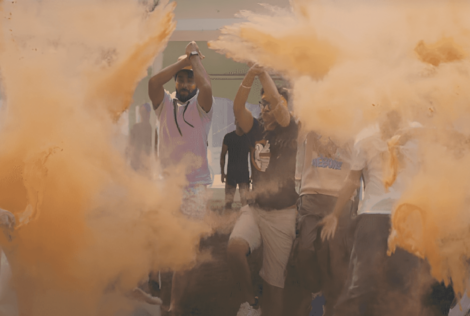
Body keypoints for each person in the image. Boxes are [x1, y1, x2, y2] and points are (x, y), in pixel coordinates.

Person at [321, 110, 423, 316]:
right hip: (373, 215)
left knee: (405, 286)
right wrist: (335, 214)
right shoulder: (366, 137)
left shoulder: (419, 135)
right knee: (362, 285)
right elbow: (352, 180)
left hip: (407, 218)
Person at [227, 64, 298, 316]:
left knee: (274, 288)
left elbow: (280, 108)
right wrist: (250, 74)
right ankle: (250, 302)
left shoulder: (291, 127)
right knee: (235, 249)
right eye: (262, 103)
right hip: (256, 210)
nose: (264, 108)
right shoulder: (255, 128)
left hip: (282, 215)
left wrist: (264, 73)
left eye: (269, 103)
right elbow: (237, 108)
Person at [148, 41, 213, 315]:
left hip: (196, 187)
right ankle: (160, 301)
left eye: (190, 78)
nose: (186, 83)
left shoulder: (202, 107)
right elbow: (153, 82)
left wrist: (194, 57)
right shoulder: (163, 103)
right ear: (175, 82)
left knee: (187, 252)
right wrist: (185, 60)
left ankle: (174, 308)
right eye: (181, 79)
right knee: (164, 247)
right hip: (167, 186)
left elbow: (207, 87)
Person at [288, 132, 355, 316]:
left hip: (341, 197)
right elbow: (295, 133)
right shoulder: (312, 110)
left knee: (334, 254)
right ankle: (315, 292)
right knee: (305, 250)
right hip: (311, 193)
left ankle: (331, 302)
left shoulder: (353, 117)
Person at [220, 119, 251, 210]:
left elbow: (253, 155)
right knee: (228, 203)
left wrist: (254, 173)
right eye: (238, 120)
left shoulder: (248, 138)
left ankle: (244, 222)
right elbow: (222, 155)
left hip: (243, 175)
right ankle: (227, 222)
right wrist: (222, 173)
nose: (240, 122)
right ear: (235, 122)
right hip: (232, 175)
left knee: (245, 204)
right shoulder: (228, 137)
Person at [128, 103, 153, 174]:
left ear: (148, 114)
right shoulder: (136, 127)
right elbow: (130, 143)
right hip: (136, 160)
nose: (142, 115)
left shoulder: (148, 128)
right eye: (141, 112)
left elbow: (149, 147)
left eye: (144, 112)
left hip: (142, 161)